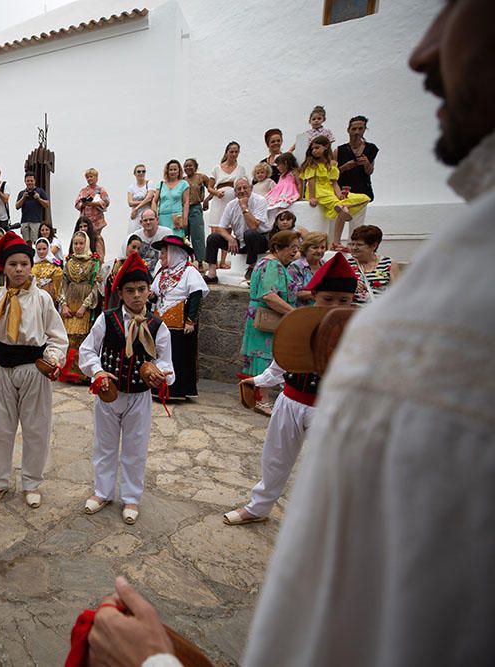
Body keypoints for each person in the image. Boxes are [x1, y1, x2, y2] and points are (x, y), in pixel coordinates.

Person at [89, 4, 495, 664]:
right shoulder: (450, 287)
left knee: (142, 449)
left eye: (460, 6)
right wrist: (262, 378)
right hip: (276, 401)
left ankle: (136, 493)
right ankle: (252, 501)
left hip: (251, 397)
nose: (423, 49)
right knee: (270, 461)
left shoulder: (448, 316)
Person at [224, 253, 359, 528]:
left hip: (328, 408)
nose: (335, 306)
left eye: (343, 301)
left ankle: (319, 524)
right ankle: (258, 507)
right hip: (290, 401)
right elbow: (280, 362)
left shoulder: (359, 332)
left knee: (323, 468)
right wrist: (258, 381)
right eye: (328, 299)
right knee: (275, 458)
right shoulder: (298, 325)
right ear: (315, 297)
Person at [0, 232, 68, 509]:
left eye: (24, 264)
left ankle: (31, 482)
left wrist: (52, 359)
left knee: (36, 427)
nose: (18, 269)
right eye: (13, 264)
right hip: (2, 368)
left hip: (33, 370)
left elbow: (57, 337)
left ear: (31, 266)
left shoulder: (42, 300)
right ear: (4, 266)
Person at [79, 251, 173, 525]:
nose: (136, 295)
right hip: (109, 394)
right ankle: (102, 491)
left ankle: (131, 496)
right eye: (130, 290)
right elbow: (88, 351)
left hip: (139, 397)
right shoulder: (107, 319)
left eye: (141, 289)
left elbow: (166, 362)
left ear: (148, 291)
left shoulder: (157, 326)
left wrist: (161, 376)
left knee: (135, 446)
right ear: (120, 292)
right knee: (104, 445)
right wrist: (98, 372)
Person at [151, 236, 209, 399]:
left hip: (179, 323)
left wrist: (190, 321)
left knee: (178, 356)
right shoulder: (163, 273)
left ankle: (176, 390)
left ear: (174, 253)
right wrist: (151, 296)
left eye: (164, 253)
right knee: (161, 354)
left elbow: (196, 295)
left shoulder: (189, 272)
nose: (161, 257)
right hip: (162, 321)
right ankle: (158, 388)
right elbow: (156, 294)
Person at [241, 230, 300, 376]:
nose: (295, 251)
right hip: (266, 318)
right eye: (291, 247)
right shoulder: (271, 265)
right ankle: (262, 396)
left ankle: (258, 395)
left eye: (297, 247)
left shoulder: (276, 264)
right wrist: (293, 313)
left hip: (267, 316)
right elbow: (268, 295)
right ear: (278, 247)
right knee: (264, 355)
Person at [301, 135, 371, 245]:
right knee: (341, 209)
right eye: (312, 149)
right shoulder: (312, 165)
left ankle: (344, 208)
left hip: (330, 191)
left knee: (363, 198)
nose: (314, 151)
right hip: (319, 191)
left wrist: (339, 195)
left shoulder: (332, 165)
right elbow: (311, 182)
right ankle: (336, 242)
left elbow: (334, 183)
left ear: (326, 147)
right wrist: (312, 197)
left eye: (317, 148)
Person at [204, 178, 272, 282]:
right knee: (213, 238)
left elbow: (254, 226)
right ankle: (212, 274)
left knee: (250, 233)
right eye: (238, 189)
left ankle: (251, 267)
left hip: (259, 241)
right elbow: (221, 227)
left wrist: (244, 207)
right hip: (240, 242)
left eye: (245, 187)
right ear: (235, 192)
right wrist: (230, 238)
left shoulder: (260, 201)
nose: (242, 191)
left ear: (251, 188)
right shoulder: (231, 205)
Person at [60, 231, 102, 382]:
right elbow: (63, 284)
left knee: (82, 337)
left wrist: (85, 306)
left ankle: (81, 374)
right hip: (70, 302)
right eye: (75, 243)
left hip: (84, 303)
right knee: (67, 337)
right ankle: (66, 372)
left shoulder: (93, 262)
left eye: (81, 243)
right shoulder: (69, 262)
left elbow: (95, 286)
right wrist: (64, 304)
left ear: (87, 244)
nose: (78, 246)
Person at [205, 141, 247, 270]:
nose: (233, 154)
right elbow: (210, 187)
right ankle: (214, 260)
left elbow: (244, 184)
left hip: (232, 202)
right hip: (219, 201)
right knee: (216, 231)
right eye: (231, 151)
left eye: (236, 152)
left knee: (227, 229)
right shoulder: (217, 168)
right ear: (226, 152)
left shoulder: (241, 169)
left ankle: (223, 261)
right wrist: (216, 193)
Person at [345, 224, 400, 306]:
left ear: (374, 246)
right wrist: (350, 285)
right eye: (352, 244)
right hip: (353, 311)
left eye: (359, 245)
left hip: (380, 311)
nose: (354, 248)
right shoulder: (346, 264)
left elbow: (398, 291)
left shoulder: (388, 263)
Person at [336, 116, 379, 202]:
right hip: (344, 191)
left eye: (360, 129)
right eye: (354, 129)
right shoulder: (339, 150)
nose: (357, 132)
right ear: (348, 130)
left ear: (364, 130)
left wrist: (366, 163)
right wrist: (345, 167)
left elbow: (369, 171)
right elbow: (333, 174)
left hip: (363, 190)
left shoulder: (371, 148)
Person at [288, 231, 327, 305]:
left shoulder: (326, 264)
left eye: (322, 247)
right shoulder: (295, 267)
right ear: (305, 249)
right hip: (303, 312)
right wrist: (322, 294)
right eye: (315, 247)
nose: (319, 251)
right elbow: (296, 293)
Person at [104, 234, 142, 311]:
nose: (136, 251)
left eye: (138, 248)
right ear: (126, 246)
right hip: (115, 301)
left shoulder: (141, 265)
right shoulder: (114, 265)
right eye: (133, 247)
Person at [182, 158, 209, 265]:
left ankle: (200, 260)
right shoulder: (182, 180)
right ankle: (184, 260)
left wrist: (207, 200)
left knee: (198, 235)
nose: (188, 168)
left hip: (195, 208)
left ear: (195, 167)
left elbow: (212, 188)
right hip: (183, 209)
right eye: (186, 166)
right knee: (184, 236)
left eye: (190, 165)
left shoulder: (201, 177)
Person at [156, 159, 190, 239]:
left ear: (179, 171)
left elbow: (186, 202)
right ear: (167, 171)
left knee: (177, 240)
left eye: (175, 169)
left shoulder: (183, 184)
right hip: (163, 216)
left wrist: (185, 218)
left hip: (176, 217)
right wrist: (155, 215)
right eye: (170, 170)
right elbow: (155, 201)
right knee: (163, 239)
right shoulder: (161, 184)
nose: (173, 172)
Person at [264, 152, 302, 221]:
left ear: (285, 163)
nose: (277, 167)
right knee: (269, 206)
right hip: (278, 193)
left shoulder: (294, 172)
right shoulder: (282, 174)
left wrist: (300, 196)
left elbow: (299, 184)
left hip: (287, 192)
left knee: (282, 206)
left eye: (278, 165)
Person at [15, 171, 50, 244]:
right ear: (25, 181)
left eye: (31, 181)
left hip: (36, 221)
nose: (29, 183)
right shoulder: (22, 193)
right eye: (28, 181)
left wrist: (39, 199)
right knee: (26, 243)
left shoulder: (40, 191)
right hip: (25, 221)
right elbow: (17, 206)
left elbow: (47, 205)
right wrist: (23, 198)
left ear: (35, 181)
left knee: (36, 242)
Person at [135, 210, 173, 274]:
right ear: (141, 222)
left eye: (151, 219)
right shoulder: (136, 235)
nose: (148, 222)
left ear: (157, 220)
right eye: (145, 220)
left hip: (162, 271)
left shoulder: (167, 233)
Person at [74, 168, 110, 234]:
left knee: (97, 239)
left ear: (96, 178)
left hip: (97, 221)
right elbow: (76, 204)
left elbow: (106, 202)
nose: (89, 178)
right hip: (85, 221)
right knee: (86, 239)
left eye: (91, 176)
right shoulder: (83, 191)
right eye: (87, 177)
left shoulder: (101, 190)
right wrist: (83, 204)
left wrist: (94, 203)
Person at [127, 164, 156, 234]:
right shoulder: (131, 187)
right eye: (139, 171)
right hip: (136, 216)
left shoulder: (149, 183)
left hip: (147, 215)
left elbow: (149, 198)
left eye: (143, 171)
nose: (141, 173)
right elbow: (130, 203)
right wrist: (145, 200)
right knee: (133, 235)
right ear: (135, 174)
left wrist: (136, 208)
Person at [32, 237, 63, 302]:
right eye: (39, 249)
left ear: (48, 249)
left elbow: (58, 284)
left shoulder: (54, 265)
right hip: (35, 300)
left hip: (50, 299)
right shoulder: (32, 265)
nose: (41, 251)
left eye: (44, 249)